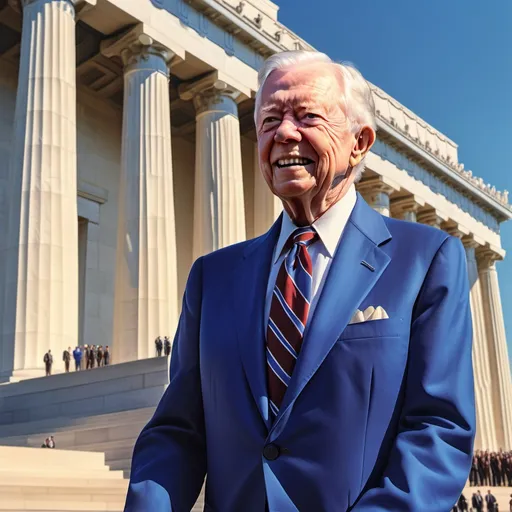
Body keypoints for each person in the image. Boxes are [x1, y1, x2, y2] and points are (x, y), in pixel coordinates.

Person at [124, 51, 475, 511]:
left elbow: (438, 429)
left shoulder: (424, 261)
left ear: (359, 142)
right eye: (270, 119)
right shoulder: (213, 277)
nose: (285, 132)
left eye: (308, 116)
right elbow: (178, 430)